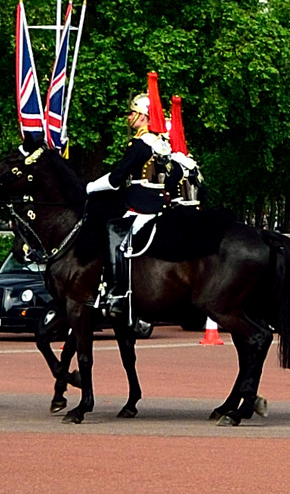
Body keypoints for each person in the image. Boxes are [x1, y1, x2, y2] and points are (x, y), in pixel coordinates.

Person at [85, 74, 203, 315]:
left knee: (115, 241)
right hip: (160, 206)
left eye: (131, 113)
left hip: (139, 207)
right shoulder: (162, 146)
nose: (129, 117)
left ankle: (117, 293)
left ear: (142, 116)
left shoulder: (141, 145)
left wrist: (88, 187)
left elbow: (117, 178)